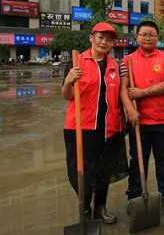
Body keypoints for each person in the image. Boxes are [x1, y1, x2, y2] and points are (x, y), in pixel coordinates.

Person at [61, 22, 127, 224]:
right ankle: (85, 209)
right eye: (100, 37)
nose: (104, 42)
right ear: (91, 38)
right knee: (80, 171)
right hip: (81, 127)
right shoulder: (77, 61)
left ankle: (100, 208)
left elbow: (119, 95)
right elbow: (66, 96)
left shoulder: (115, 65)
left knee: (103, 171)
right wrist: (68, 80)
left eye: (109, 39)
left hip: (108, 128)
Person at [121, 21, 164, 209]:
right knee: (138, 159)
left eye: (152, 34)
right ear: (137, 37)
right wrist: (130, 110)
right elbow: (124, 89)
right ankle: (135, 195)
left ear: (157, 37)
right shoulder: (127, 60)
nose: (147, 37)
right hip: (139, 120)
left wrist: (142, 93)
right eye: (144, 34)